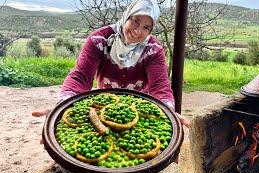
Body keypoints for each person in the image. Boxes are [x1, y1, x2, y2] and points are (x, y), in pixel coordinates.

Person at [32, 0, 189, 128]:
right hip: (103, 109)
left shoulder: (153, 51)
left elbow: (160, 88)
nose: (138, 30)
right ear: (127, 16)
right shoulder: (99, 41)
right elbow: (80, 77)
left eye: (146, 27)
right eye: (136, 21)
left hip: (141, 113)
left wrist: (168, 112)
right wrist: (63, 105)